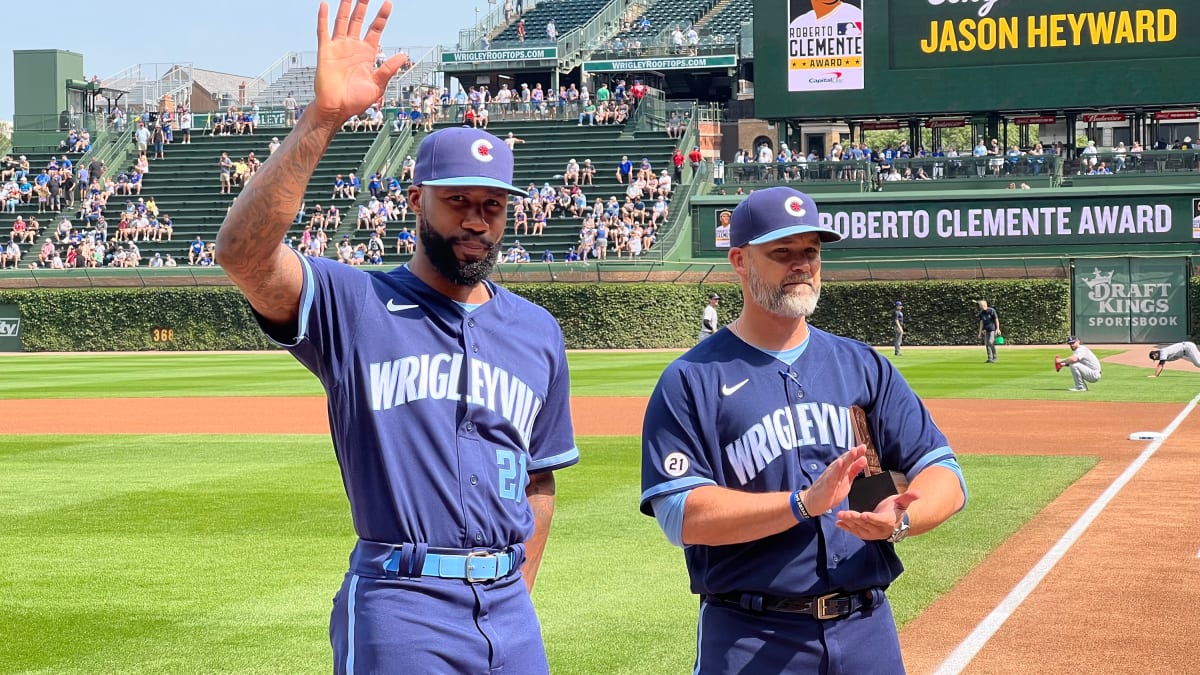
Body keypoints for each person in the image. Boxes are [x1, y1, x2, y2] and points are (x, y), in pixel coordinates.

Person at [214, 3, 579, 672]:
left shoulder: (536, 331)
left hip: (509, 610)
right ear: (416, 203)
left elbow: (539, 482)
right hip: (400, 599)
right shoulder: (354, 303)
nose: (476, 220)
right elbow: (242, 252)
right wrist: (321, 119)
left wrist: (512, 593)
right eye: (458, 201)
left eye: (492, 205)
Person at [640, 186, 966, 675]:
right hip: (751, 636)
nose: (801, 265)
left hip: (866, 627)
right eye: (782, 252)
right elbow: (680, 513)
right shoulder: (691, 379)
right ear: (739, 261)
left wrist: (898, 521)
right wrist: (801, 505)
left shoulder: (862, 366)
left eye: (810, 252)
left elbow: (944, 473)